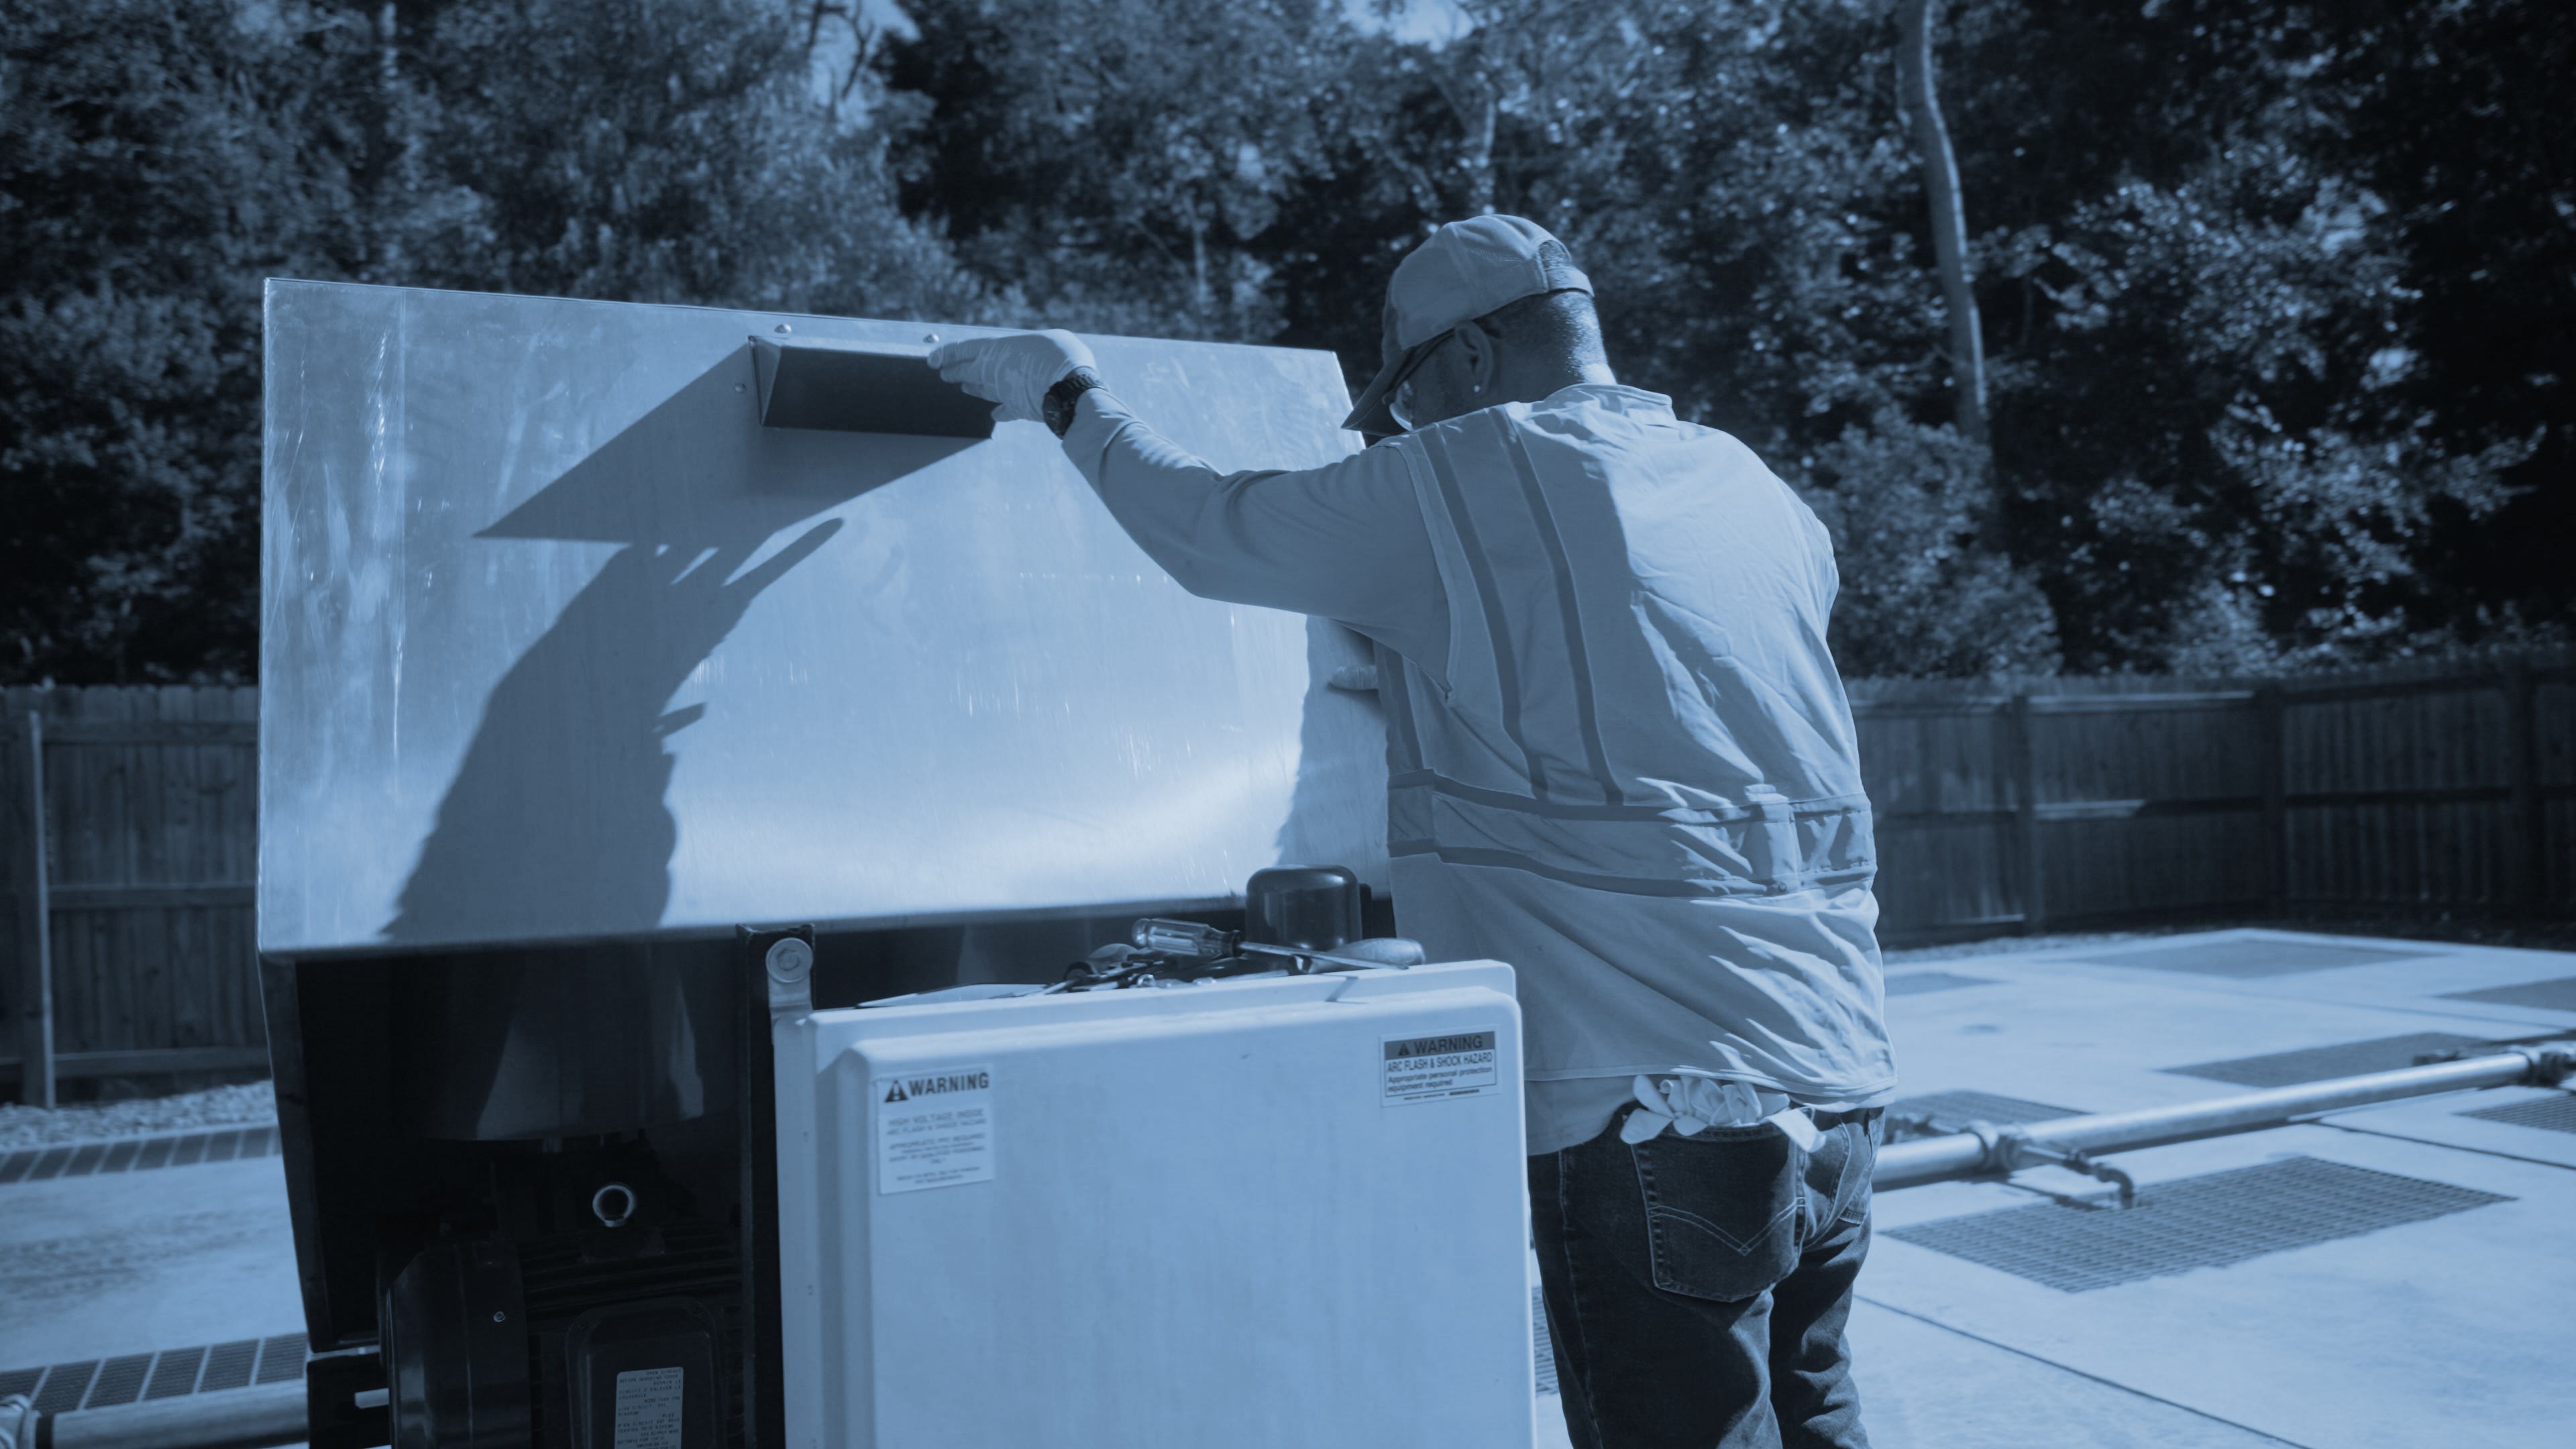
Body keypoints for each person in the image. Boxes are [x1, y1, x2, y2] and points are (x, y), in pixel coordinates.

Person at [930, 215, 1896, 1449]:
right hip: (1839, 1083)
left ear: (1473, 358)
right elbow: (1665, 700)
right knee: (1819, 1415)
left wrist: (1063, 390)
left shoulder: (1481, 469)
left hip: (1651, 1109)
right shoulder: (1750, 488)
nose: (1394, 426)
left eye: (1403, 392)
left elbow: (1207, 529)